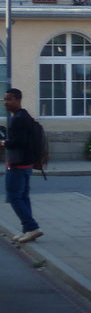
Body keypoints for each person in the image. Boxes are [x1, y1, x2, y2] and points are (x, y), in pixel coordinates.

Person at [2, 88, 42, 244]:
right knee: (23, 196)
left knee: (13, 197)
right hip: (26, 164)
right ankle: (28, 230)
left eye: (9, 99)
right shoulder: (24, 116)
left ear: (18, 100)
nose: (6, 102)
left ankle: (32, 227)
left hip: (17, 164)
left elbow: (19, 142)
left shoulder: (18, 119)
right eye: (5, 99)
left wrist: (4, 142)